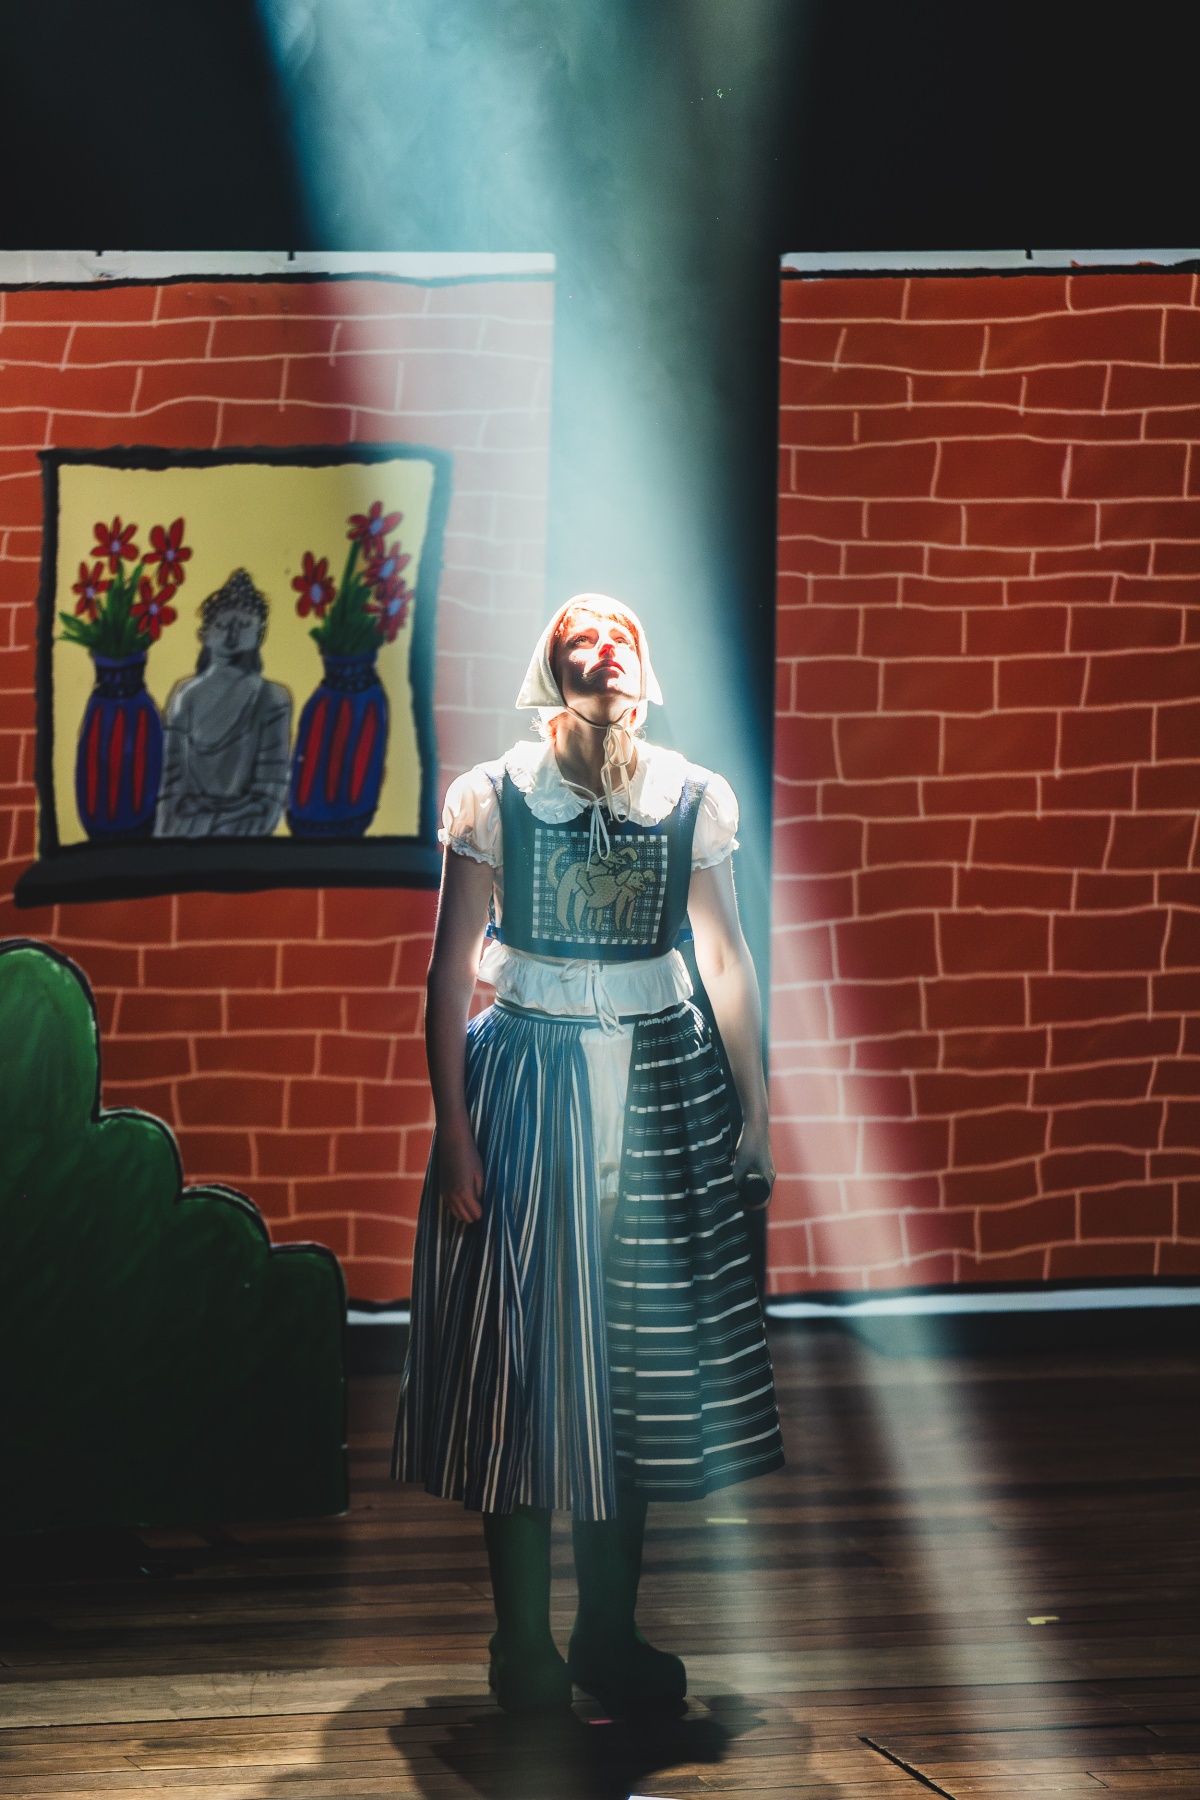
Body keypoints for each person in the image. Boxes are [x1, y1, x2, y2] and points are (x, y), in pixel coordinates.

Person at [393, 594, 783, 1715]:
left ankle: (608, 1632)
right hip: (528, 1076)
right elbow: (449, 970)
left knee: (638, 1366)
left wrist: (755, 1111)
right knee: (521, 1360)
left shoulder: (690, 797)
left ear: (645, 672)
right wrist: (454, 1130)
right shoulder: (497, 796)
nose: (603, 654)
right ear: (550, 671)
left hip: (663, 1082)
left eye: (621, 642)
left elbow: (726, 956)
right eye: (581, 642)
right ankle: (521, 1642)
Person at [155, 568, 291, 838]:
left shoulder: (271, 698)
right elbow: (171, 789)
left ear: (260, 633)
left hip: (244, 828)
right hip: (188, 831)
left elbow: (270, 794)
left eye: (244, 626)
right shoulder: (184, 697)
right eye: (222, 625)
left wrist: (224, 821)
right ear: (204, 632)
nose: (232, 636)